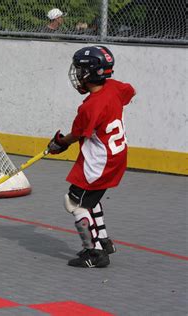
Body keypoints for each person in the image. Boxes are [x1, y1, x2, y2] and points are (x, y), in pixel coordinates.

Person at [47, 46, 135, 268]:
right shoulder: (114, 87)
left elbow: (77, 134)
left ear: (89, 73)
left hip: (98, 163)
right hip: (117, 157)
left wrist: (58, 143)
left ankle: (94, 252)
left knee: (74, 203)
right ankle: (103, 241)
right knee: (91, 198)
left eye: (79, 70)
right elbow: (129, 91)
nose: (77, 75)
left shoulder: (90, 106)